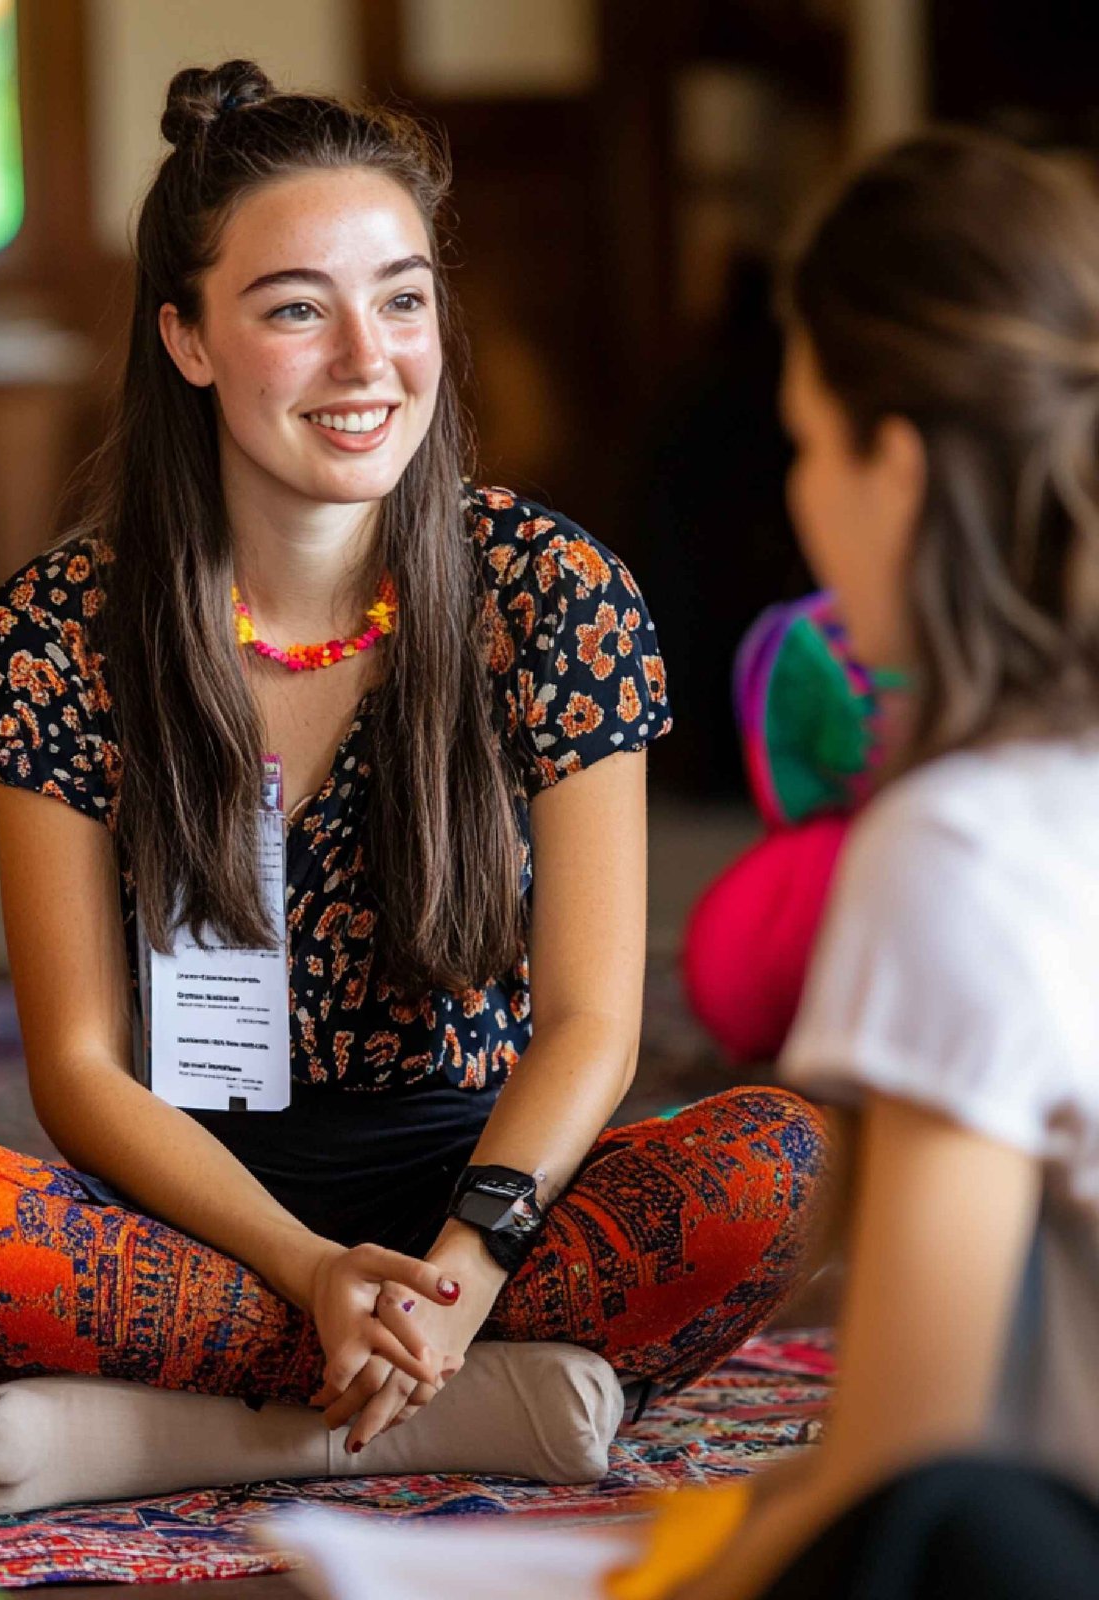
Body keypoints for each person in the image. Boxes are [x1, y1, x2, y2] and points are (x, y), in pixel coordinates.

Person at [0, 61, 826, 1460]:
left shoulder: (553, 594)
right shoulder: (57, 632)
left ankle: (204, 1423)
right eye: (298, 309)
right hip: (202, 1226)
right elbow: (79, 1070)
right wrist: (309, 1273)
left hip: (484, 1210)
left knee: (770, 1166)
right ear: (187, 337)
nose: (370, 360)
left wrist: (464, 1268)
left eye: (403, 298)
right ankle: (467, 1402)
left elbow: (593, 1030)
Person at [638, 129, 1099, 1600]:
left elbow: (913, 1468)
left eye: (804, 442)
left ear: (893, 465)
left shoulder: (961, 848)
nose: (799, 501)